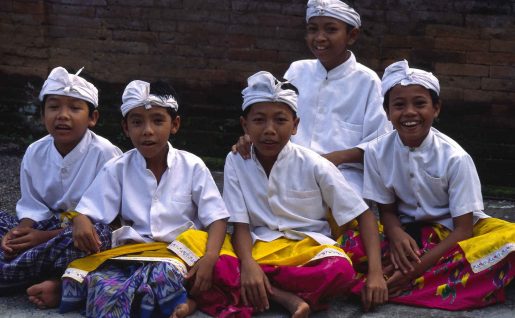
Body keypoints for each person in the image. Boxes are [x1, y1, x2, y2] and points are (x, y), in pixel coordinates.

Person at [194, 71, 387, 317]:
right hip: (259, 249)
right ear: (245, 125)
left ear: (295, 126)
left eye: (280, 120)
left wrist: (375, 273)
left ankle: (256, 290)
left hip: (307, 249)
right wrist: (250, 264)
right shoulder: (236, 161)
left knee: (340, 271)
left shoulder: (314, 163)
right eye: (259, 120)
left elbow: (365, 215)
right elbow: (240, 226)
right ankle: (284, 297)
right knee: (216, 265)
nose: (269, 130)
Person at [58, 80, 230, 318]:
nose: (147, 130)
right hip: (130, 254)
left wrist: (210, 257)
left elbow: (217, 218)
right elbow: (89, 210)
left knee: (164, 277)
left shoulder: (192, 166)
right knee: (98, 285)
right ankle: (170, 301)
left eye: (158, 121)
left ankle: (180, 301)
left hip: (176, 257)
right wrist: (81, 219)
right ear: (126, 128)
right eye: (137, 122)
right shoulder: (117, 168)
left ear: (175, 124)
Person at [363, 60, 515, 310]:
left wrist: (414, 269)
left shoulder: (456, 158)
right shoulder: (375, 152)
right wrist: (396, 233)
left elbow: (463, 230)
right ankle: (431, 283)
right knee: (358, 247)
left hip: (456, 232)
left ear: (436, 108)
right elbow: (387, 210)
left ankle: (407, 281)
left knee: (509, 240)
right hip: (411, 233)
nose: (410, 112)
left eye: (420, 103)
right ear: (387, 112)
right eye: (399, 105)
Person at [233, 0, 391, 196]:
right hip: (289, 167)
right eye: (312, 29)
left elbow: (380, 144)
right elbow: (275, 117)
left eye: (331, 30)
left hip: (343, 175)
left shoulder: (368, 81)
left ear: (352, 35)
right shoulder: (297, 70)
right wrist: (254, 137)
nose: (319, 38)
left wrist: (330, 160)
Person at [0, 66, 122, 308]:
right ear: (43, 114)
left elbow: (111, 219)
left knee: (94, 238)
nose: (63, 115)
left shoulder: (106, 153)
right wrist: (19, 235)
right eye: (54, 107)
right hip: (44, 230)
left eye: (75, 108)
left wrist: (40, 239)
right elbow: (32, 206)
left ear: (92, 118)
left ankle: (44, 277)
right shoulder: (35, 151)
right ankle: (38, 271)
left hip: (76, 235)